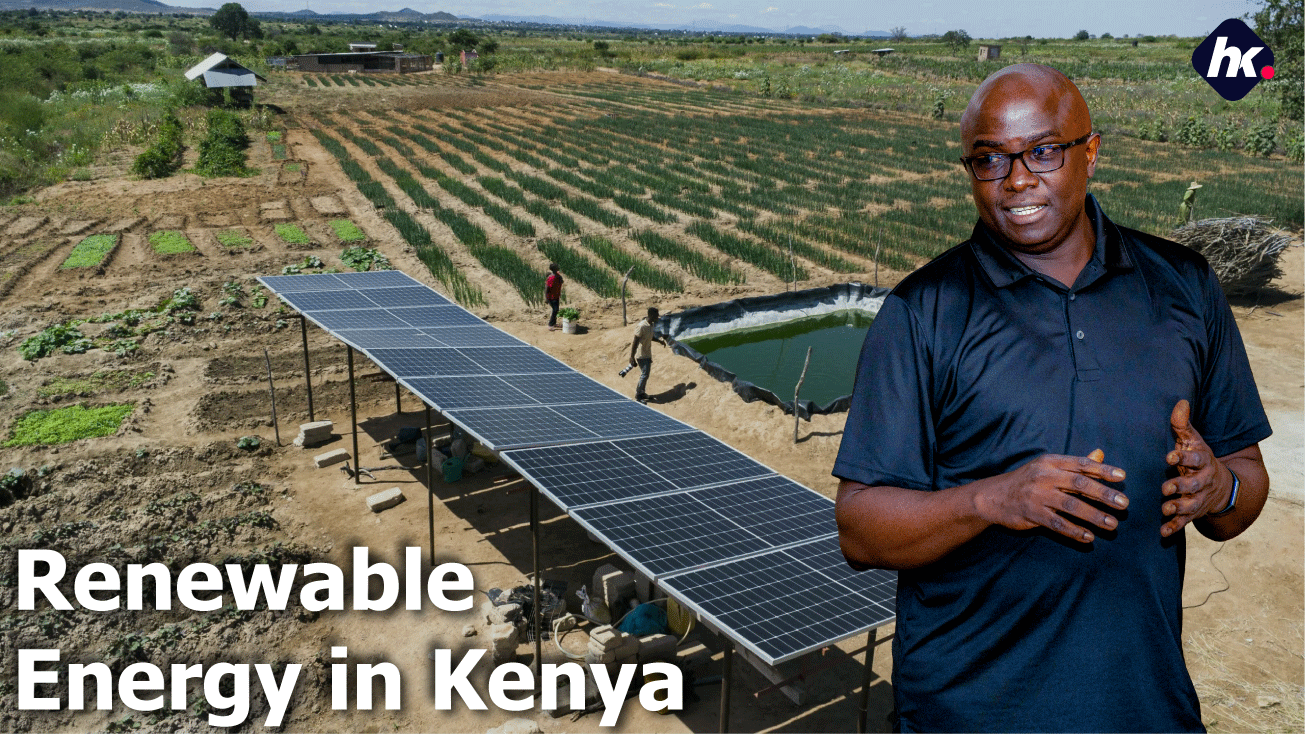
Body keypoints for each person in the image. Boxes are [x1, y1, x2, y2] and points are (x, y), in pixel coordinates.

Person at [832, 63, 1271, 733]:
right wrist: (992, 498)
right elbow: (859, 527)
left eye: (1042, 151)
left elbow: (1244, 487)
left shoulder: (1184, 286)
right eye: (988, 160)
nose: (1016, 181)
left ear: (1089, 151)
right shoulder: (924, 310)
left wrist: (1218, 490)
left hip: (1145, 709)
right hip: (967, 713)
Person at [628, 307, 661, 402]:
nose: (658, 317)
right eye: (656, 315)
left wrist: (659, 340)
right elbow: (635, 341)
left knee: (646, 374)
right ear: (651, 315)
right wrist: (631, 356)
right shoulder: (641, 326)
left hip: (647, 353)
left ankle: (641, 392)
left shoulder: (651, 325)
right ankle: (638, 394)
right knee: (645, 373)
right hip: (641, 354)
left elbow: (650, 337)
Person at [544, 263, 563, 330]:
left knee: (556, 310)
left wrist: (560, 276)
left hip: (556, 295)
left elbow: (562, 281)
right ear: (554, 269)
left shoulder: (558, 276)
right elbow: (546, 288)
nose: (558, 267)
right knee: (555, 310)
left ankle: (554, 323)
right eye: (557, 267)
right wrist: (546, 298)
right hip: (551, 297)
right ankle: (550, 324)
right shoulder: (551, 278)